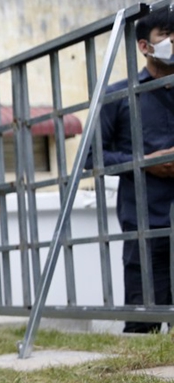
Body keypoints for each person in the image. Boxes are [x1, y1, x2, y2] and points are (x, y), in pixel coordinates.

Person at [86, 6, 174, 334]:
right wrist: (147, 161)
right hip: (144, 220)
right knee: (143, 320)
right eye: (165, 35)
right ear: (144, 46)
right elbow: (91, 157)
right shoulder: (118, 96)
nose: (173, 42)